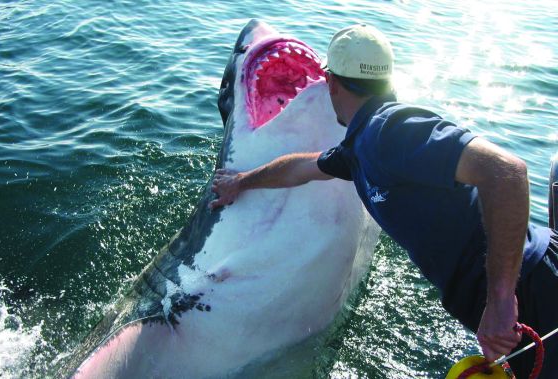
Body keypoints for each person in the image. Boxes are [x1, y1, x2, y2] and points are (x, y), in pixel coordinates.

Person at [209, 24, 558, 378]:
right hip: (517, 291)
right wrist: (242, 181)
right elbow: (305, 167)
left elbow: (507, 172)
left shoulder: (390, 129)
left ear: (331, 82)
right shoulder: (362, 145)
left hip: (533, 286)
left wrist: (500, 299)